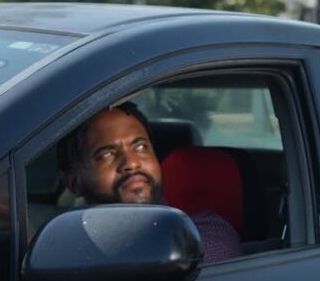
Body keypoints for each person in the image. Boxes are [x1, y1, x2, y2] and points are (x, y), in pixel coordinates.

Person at [58, 101, 243, 263]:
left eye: (140, 147)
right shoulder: (63, 244)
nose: (131, 163)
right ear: (74, 183)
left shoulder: (205, 233)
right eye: (107, 154)